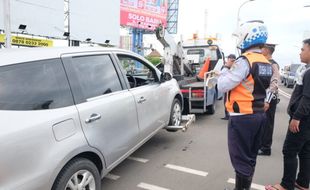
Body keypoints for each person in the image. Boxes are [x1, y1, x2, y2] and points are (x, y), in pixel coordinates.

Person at [218, 20, 272, 190]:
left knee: (240, 158)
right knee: (250, 157)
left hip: (242, 117)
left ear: (247, 37)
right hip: (258, 115)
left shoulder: (244, 61)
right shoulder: (265, 62)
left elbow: (223, 85)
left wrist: (226, 68)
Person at [265, 38, 310, 190]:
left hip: (302, 119)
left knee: (289, 150)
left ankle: (286, 185)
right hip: (307, 119)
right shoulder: (307, 70)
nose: (300, 52)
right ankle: (303, 182)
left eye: (303, 49)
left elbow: (306, 98)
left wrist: (296, 117)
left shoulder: (309, 73)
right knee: (305, 151)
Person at [258, 43, 280, 156]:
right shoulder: (265, 63)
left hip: (269, 98)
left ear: (266, 50)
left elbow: (274, 83)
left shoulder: (273, 64)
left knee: (267, 123)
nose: (260, 50)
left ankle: (266, 148)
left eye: (262, 48)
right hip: (264, 97)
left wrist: (267, 100)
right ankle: (261, 144)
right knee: (262, 122)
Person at [221, 54, 236, 120]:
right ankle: (227, 115)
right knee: (226, 101)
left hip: (231, 87)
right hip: (229, 86)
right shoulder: (225, 66)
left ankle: (230, 115)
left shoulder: (235, 66)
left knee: (229, 101)